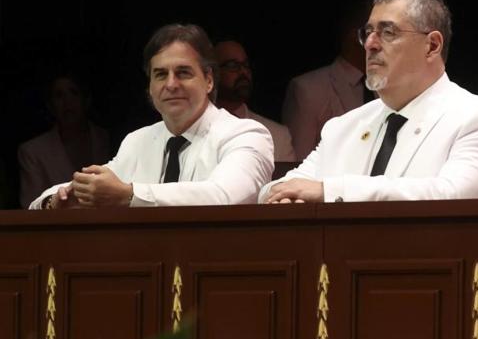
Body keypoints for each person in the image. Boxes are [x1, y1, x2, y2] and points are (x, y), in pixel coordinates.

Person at [261, 0, 478, 203]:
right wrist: (282, 198)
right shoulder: (342, 127)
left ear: (432, 46)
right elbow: (280, 187)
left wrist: (332, 190)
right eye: (368, 32)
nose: (370, 44)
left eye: (387, 32)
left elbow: (455, 195)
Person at [32, 24, 274, 209]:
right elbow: (62, 194)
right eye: (160, 74)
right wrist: (58, 199)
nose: (171, 84)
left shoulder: (247, 134)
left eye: (183, 73)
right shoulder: (138, 141)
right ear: (149, 86)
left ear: (209, 80)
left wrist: (129, 195)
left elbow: (224, 197)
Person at [282, 0, 374, 160]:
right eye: (373, 32)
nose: (381, 42)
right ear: (357, 35)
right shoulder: (308, 89)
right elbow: (298, 159)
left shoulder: (386, 85)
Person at [18, 73, 111, 208]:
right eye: (59, 95)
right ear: (51, 106)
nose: (67, 101)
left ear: (86, 100)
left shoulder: (103, 138)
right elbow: (30, 206)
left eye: (73, 93)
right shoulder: (32, 151)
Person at [214, 40, 297, 161]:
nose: (243, 72)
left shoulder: (277, 135)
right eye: (232, 66)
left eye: (246, 65)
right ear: (211, 73)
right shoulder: (194, 129)